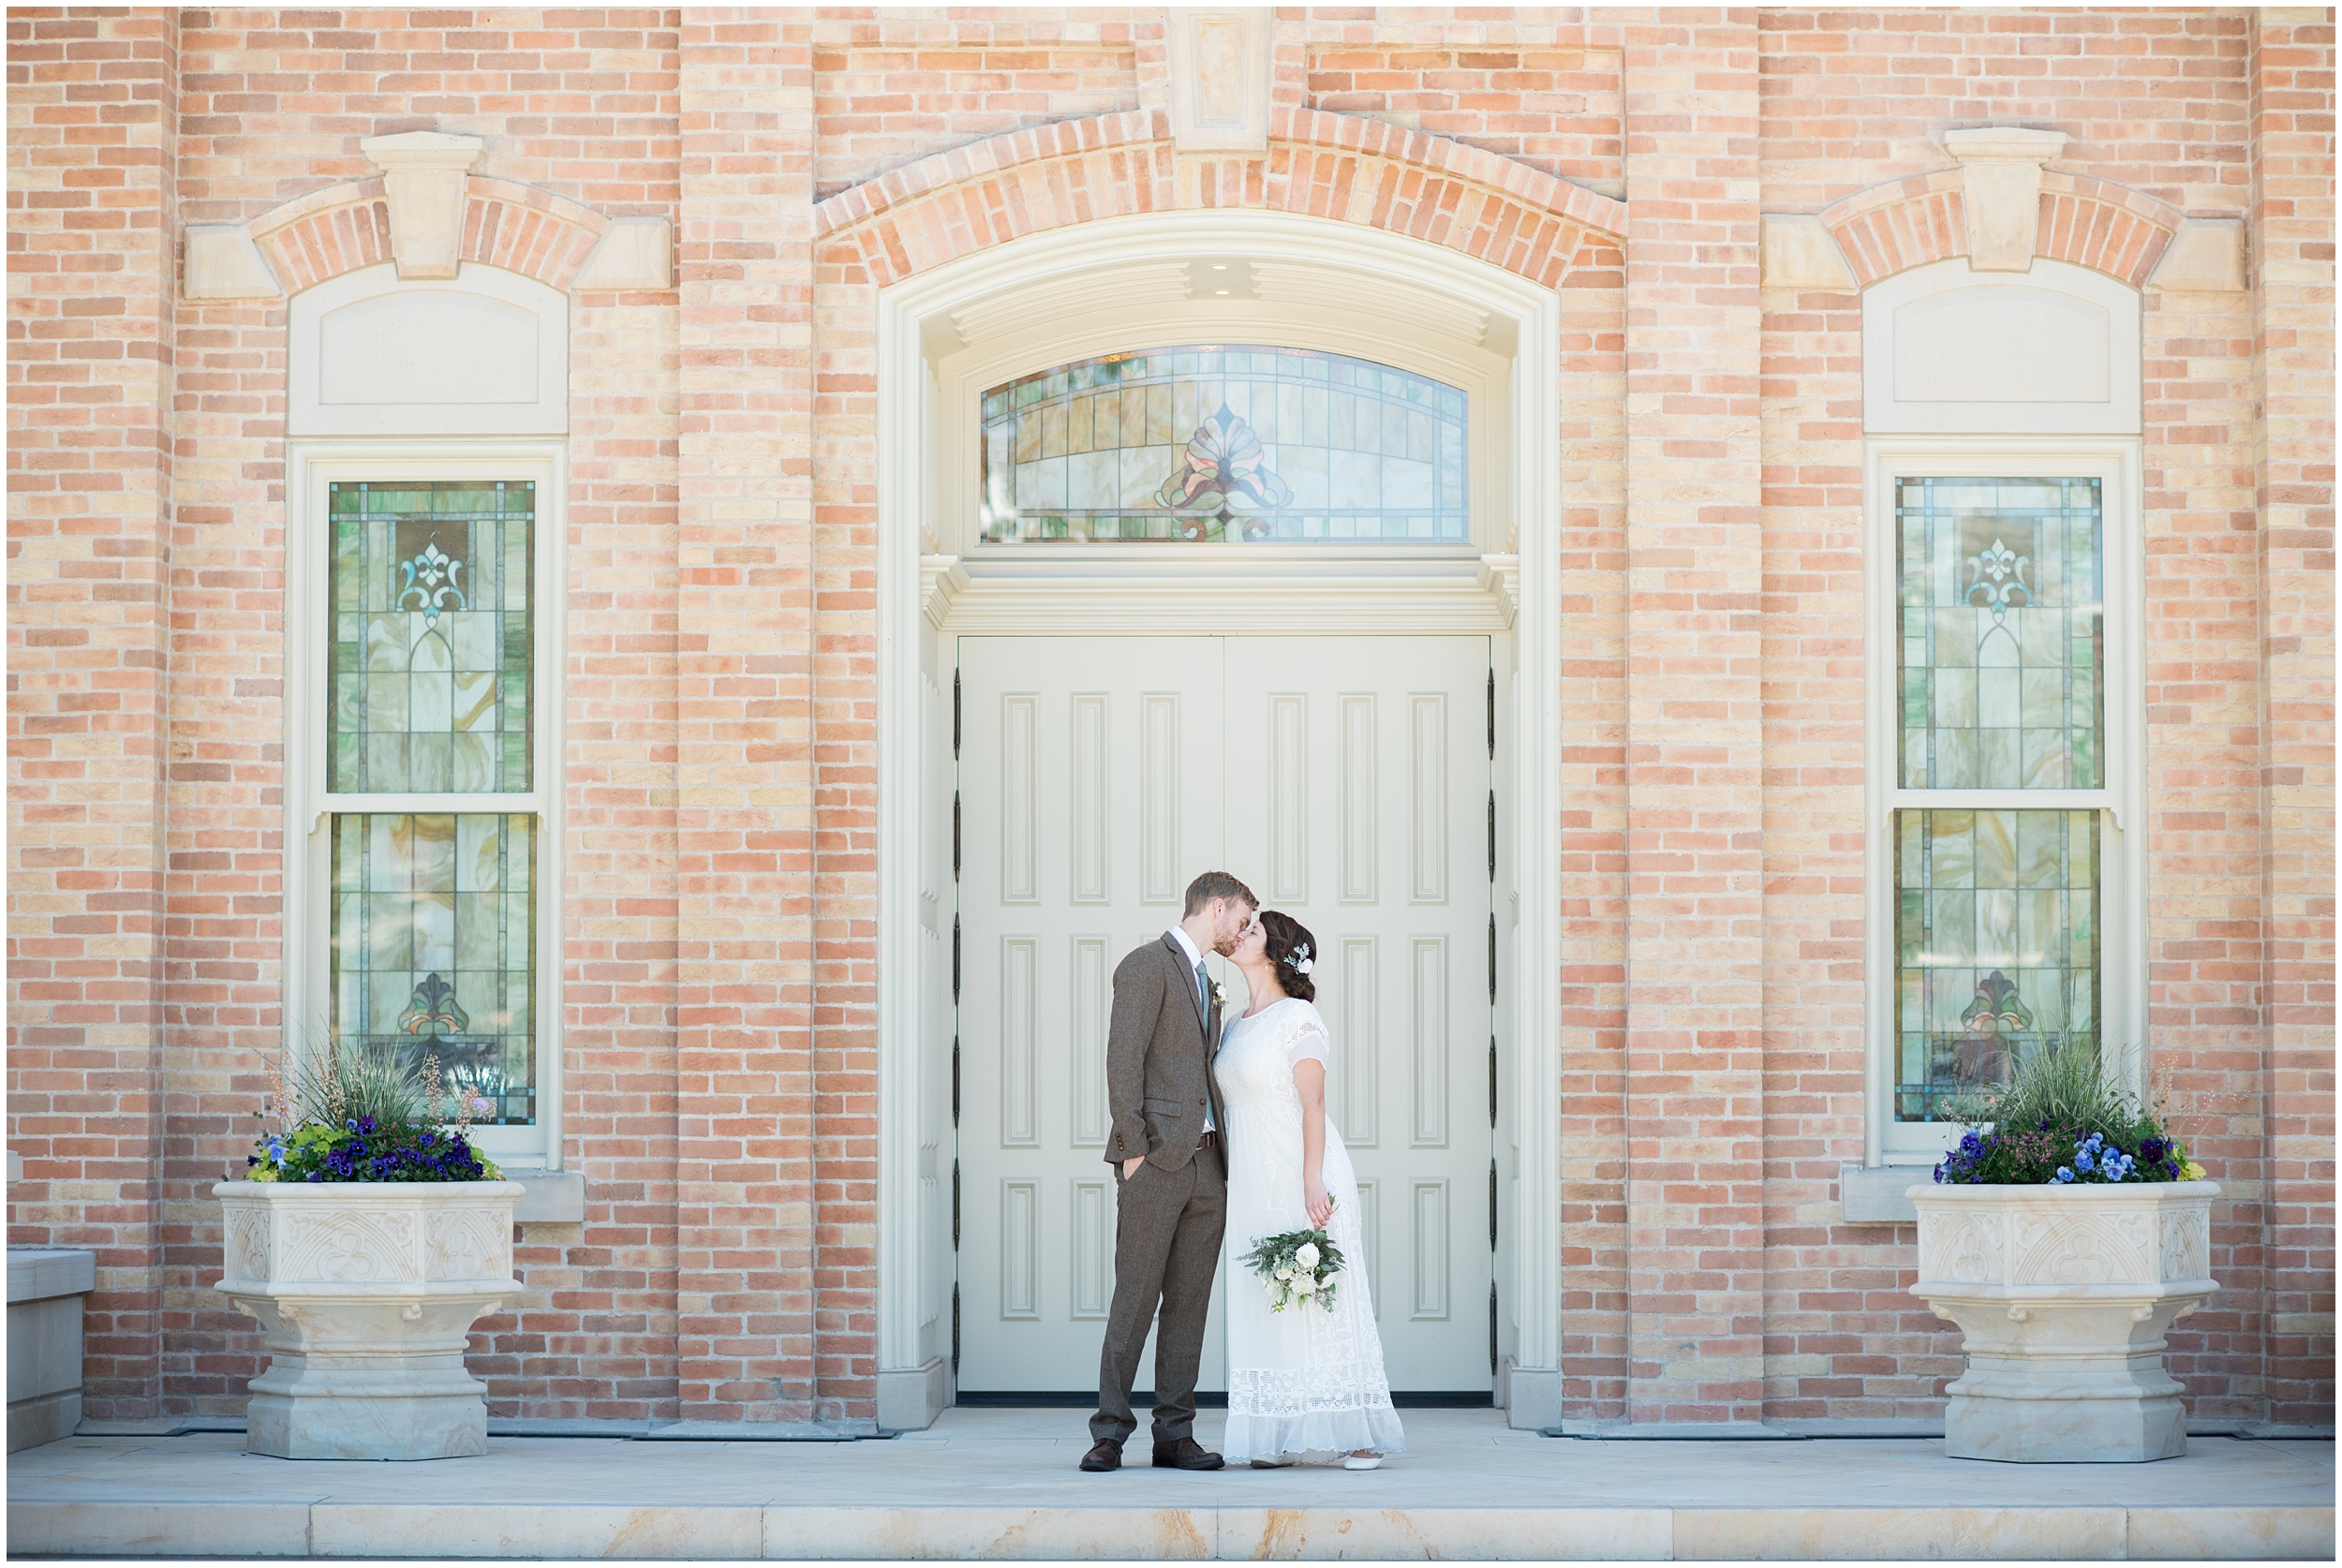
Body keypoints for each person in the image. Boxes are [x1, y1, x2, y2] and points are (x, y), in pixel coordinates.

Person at [1081, 871, 1257, 1473]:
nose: (1243, 932)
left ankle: (1173, 1435)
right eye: (1241, 919)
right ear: (1216, 907)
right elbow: (1122, 1059)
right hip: (1155, 1162)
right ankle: (1109, 1433)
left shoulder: (1209, 981)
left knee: (1189, 1303)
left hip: (1209, 1167)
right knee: (1134, 1299)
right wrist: (1133, 1152)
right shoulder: (1144, 965)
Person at [1217, 909, 1404, 1470]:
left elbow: (1313, 1105)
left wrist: (1310, 1182)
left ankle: (1356, 1430)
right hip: (1253, 1184)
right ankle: (1275, 1433)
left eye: (1252, 929)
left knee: (1325, 1297)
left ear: (1274, 952)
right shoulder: (1233, 1023)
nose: (1240, 933)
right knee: (1267, 1296)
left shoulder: (1299, 1019)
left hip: (1304, 1174)